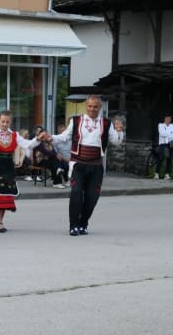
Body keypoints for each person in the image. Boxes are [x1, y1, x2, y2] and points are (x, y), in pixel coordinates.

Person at [45, 95, 125, 236]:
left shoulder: (106, 123)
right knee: (76, 193)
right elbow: (64, 137)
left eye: (95, 106)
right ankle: (73, 225)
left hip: (96, 165)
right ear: (86, 106)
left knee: (92, 197)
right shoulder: (76, 121)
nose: (92, 109)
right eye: (89, 106)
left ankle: (83, 224)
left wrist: (119, 131)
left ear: (100, 107)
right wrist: (50, 138)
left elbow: (116, 141)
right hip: (78, 164)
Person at [0, 110, 41, 232]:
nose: (4, 124)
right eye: (3, 121)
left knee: (5, 194)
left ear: (10, 122)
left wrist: (38, 139)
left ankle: (0, 222)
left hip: (8, 165)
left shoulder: (15, 135)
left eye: (7, 122)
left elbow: (27, 144)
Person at [154, 113, 173, 180]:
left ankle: (167, 174)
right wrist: (170, 134)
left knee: (169, 159)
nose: (168, 120)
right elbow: (161, 133)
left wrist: (167, 135)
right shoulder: (160, 125)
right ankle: (156, 173)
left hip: (170, 144)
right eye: (167, 118)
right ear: (165, 119)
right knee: (161, 158)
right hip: (162, 144)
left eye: (169, 119)